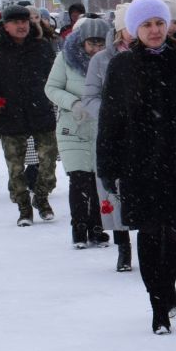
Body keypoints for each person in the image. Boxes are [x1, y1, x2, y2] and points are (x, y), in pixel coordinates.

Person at [98, 0, 176, 334]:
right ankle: (157, 304)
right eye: (146, 24)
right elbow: (110, 121)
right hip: (140, 164)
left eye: (159, 23)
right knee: (150, 232)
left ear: (168, 25)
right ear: (134, 30)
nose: (154, 30)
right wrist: (107, 166)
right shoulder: (122, 67)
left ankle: (167, 284)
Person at [0, 3, 60, 226]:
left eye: (24, 21)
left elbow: (55, 78)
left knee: (49, 164)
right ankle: (24, 208)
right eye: (16, 22)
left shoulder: (41, 47)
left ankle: (41, 198)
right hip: (10, 115)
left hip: (41, 112)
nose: (21, 26)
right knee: (16, 169)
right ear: (6, 25)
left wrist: (54, 101)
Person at [47, 17, 111, 249]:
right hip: (73, 126)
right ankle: (79, 228)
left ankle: (98, 227)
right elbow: (51, 88)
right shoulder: (65, 59)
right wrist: (73, 102)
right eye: (91, 44)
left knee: (99, 181)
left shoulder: (113, 61)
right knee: (79, 179)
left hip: (103, 128)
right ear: (81, 42)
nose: (95, 49)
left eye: (100, 44)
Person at [79, 16, 134, 272]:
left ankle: (152, 246)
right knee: (114, 189)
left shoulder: (155, 57)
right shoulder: (101, 60)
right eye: (131, 27)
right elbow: (89, 97)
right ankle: (123, 246)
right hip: (113, 134)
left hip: (147, 135)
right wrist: (113, 113)